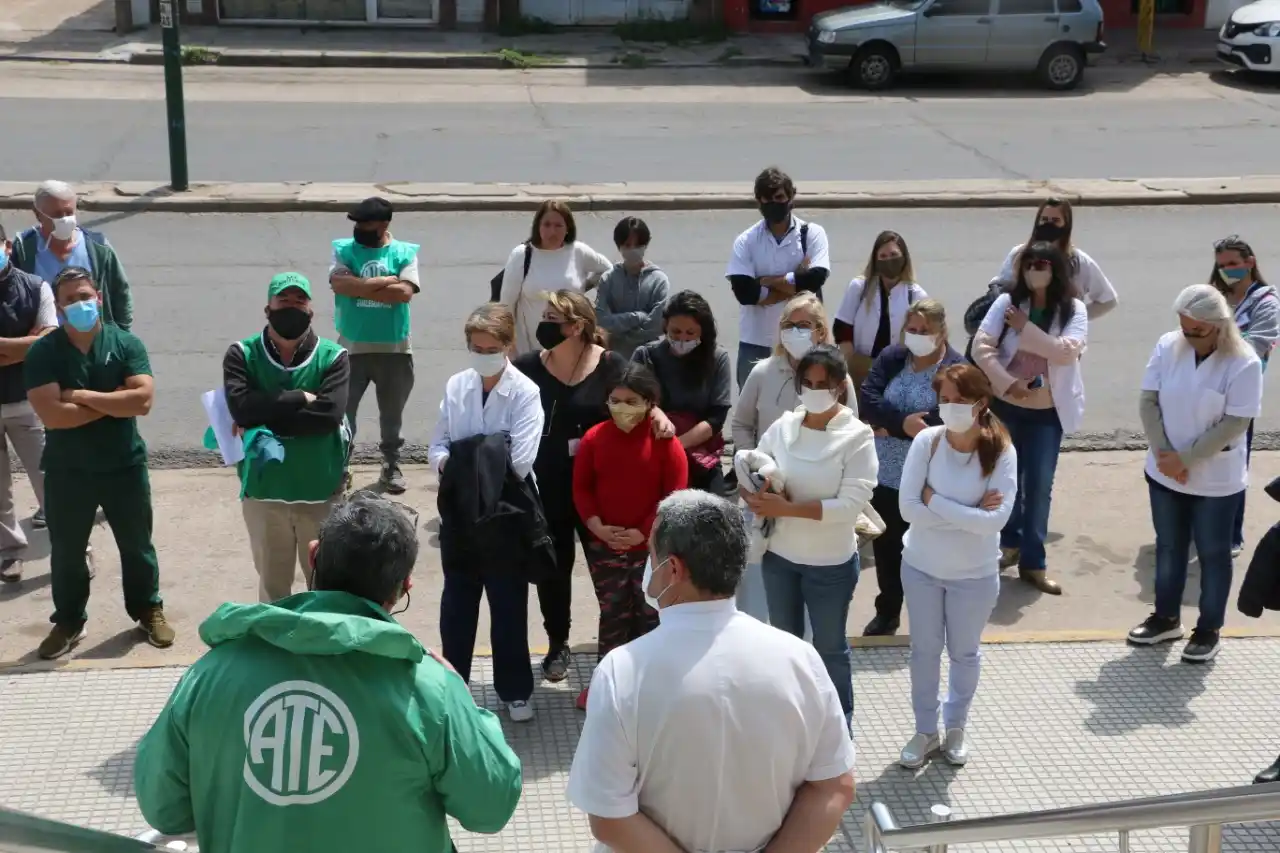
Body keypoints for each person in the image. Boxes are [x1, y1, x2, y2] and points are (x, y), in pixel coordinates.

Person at [133, 492, 523, 853]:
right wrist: (467, 706)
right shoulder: (429, 688)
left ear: (313, 555)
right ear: (403, 587)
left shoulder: (209, 675)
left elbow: (164, 809)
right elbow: (490, 808)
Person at [567, 490, 856, 853]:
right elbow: (834, 787)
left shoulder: (623, 670)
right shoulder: (801, 659)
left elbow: (610, 818)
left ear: (673, 569)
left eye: (651, 556)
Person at [513, 291, 662, 685]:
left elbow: (642, 395)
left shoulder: (611, 365)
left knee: (612, 576)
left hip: (603, 488)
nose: (543, 324)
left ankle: (620, 652)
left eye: (552, 318)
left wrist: (659, 416)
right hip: (549, 489)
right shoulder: (528, 367)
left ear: (577, 326)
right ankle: (557, 642)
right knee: (554, 570)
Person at [24, 267, 172, 660]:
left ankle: (147, 609)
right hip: (67, 471)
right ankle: (69, 620)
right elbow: (54, 416)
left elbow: (142, 401)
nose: (79, 304)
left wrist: (82, 396)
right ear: (58, 306)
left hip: (124, 466)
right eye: (70, 299)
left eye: (85, 296)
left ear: (100, 298)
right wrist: (112, 403)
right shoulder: (45, 351)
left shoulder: (125, 343)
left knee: (137, 546)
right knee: (68, 551)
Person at [737, 345, 877, 732]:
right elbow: (754, 465)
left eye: (823, 384)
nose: (814, 390)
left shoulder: (858, 436)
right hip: (780, 558)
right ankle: (791, 727)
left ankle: (839, 729)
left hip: (830, 564)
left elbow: (850, 505)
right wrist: (753, 492)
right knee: (785, 647)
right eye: (808, 383)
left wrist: (786, 509)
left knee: (830, 649)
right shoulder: (783, 427)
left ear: (840, 387)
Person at [1130, 285, 1263, 664]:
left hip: (1215, 479)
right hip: (1165, 469)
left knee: (1213, 553)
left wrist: (1185, 460)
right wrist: (1166, 456)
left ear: (1219, 327)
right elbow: (1148, 400)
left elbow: (1235, 421)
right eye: (1185, 329)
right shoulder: (1168, 346)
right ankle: (1165, 618)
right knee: (1169, 547)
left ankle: (1208, 630)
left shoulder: (1243, 362)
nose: (1189, 337)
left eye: (1197, 331)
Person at [895, 364, 1016, 769]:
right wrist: (967, 513)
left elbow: (994, 522)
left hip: (974, 575)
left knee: (964, 654)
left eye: (959, 401)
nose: (949, 408)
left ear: (981, 404)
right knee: (924, 652)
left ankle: (956, 727)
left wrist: (936, 501)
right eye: (944, 400)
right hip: (921, 567)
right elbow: (906, 509)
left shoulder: (1000, 451)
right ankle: (925, 731)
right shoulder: (926, 442)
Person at [430, 303, 546, 722]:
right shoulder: (457, 385)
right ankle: (452, 686)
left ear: (508, 345)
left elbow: (520, 460)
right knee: (456, 607)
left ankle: (515, 691)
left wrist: (465, 458)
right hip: (459, 515)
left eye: (490, 347)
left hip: (506, 515)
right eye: (475, 346)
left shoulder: (526, 392)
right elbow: (438, 447)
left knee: (508, 605)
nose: (482, 353)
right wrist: (478, 453)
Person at [223, 272, 351, 603]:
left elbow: (328, 416)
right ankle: (275, 651)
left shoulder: (333, 356)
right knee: (272, 589)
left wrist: (259, 419)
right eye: (284, 300)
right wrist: (299, 398)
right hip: (265, 494)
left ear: (310, 310)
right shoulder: (242, 354)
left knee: (325, 589)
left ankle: (321, 652)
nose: (291, 307)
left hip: (320, 492)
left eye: (299, 301)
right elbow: (240, 408)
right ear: (268, 308)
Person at [731, 292, 854, 623]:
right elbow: (742, 424)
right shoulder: (762, 373)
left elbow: (850, 433)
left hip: (811, 504)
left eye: (804, 324)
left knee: (809, 606)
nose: (795, 331)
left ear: (820, 330)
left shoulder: (841, 381)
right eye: (789, 324)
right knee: (755, 597)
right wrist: (749, 476)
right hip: (760, 499)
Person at [972, 241, 1087, 595]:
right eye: (1030, 264)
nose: (1036, 270)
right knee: (1004, 481)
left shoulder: (1073, 310)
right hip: (1008, 406)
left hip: (1047, 413)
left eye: (1043, 264)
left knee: (1038, 487)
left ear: (1056, 270)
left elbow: (1065, 353)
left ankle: (1034, 563)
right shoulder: (1007, 303)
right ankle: (1009, 545)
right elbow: (981, 346)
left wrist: (1025, 330)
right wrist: (1008, 384)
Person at [573, 362, 688, 709]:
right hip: (604, 546)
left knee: (650, 616)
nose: (623, 408)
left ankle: (650, 689)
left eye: (632, 401)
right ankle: (606, 686)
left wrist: (643, 532)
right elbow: (581, 488)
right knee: (613, 617)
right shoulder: (594, 438)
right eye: (616, 400)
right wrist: (596, 526)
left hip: (652, 549)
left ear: (650, 403)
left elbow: (675, 493)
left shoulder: (665, 443)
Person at [860, 298, 965, 636]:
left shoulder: (956, 368)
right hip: (887, 474)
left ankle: (932, 617)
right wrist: (903, 424)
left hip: (931, 479)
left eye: (925, 330)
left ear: (941, 331)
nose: (917, 336)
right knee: (888, 548)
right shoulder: (893, 358)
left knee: (926, 550)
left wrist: (888, 426)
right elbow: (868, 399)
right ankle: (888, 611)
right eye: (912, 329)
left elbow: (946, 419)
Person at [328, 196, 420, 494]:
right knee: (343, 413)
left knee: (392, 416)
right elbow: (339, 284)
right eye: (356, 222)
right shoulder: (344, 249)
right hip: (351, 348)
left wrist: (359, 286)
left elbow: (404, 293)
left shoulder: (405, 251)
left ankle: (391, 465)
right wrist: (384, 281)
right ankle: (341, 467)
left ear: (384, 224)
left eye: (365, 222)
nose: (358, 227)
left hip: (394, 349)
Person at [725, 166, 831, 389]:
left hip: (804, 339)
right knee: (752, 412)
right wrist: (796, 281)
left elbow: (815, 280)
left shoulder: (811, 233)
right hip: (757, 342)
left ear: (791, 196)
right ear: (759, 202)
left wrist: (766, 281)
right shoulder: (746, 241)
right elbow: (744, 293)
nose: (774, 203)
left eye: (779, 197)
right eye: (767, 199)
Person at [1208, 235, 1277, 556]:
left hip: (1239, 398)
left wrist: (1215, 340)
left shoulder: (1266, 302)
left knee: (1233, 465)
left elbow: (1255, 346)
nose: (1227, 271)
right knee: (1202, 460)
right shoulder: (1213, 297)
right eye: (1222, 266)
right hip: (1204, 392)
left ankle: (1231, 533)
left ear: (1250, 263)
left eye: (1233, 265)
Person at [633, 291, 734, 494]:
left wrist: (678, 445)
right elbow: (636, 401)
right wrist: (657, 415)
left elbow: (716, 417)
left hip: (700, 455)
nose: (682, 338)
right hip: (653, 452)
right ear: (665, 327)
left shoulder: (717, 358)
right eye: (676, 332)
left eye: (690, 333)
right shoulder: (645, 355)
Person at [0, 226, 56, 583]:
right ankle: (8, 551)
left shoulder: (35, 287)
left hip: (28, 400)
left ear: (6, 246)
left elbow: (48, 339)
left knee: (50, 477)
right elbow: (33, 343)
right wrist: (22, 345)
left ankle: (74, 546)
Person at [10, 180, 133, 331]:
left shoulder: (98, 247)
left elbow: (120, 292)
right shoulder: (23, 250)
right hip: (43, 345)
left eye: (69, 213)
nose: (65, 220)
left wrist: (122, 335)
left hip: (91, 340)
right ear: (38, 214)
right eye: (57, 214)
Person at [498, 200, 613, 354]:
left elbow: (608, 270)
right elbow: (506, 306)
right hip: (529, 350)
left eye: (558, 225)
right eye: (547, 224)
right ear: (538, 226)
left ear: (567, 229)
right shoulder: (522, 255)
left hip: (571, 349)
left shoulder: (578, 252)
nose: (552, 231)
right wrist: (508, 346)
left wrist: (585, 287)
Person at [833, 230, 928, 401]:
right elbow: (842, 327)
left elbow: (923, 336)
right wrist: (849, 363)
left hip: (897, 369)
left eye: (893, 255)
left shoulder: (915, 295)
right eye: (883, 256)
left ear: (904, 257)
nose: (888, 260)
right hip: (860, 362)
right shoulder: (860, 287)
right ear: (875, 260)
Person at [989, 197, 1118, 319]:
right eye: (1044, 219)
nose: (1048, 225)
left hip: (1060, 338)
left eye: (1055, 221)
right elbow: (1001, 291)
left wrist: (1076, 318)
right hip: (1018, 334)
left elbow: (1108, 300)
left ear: (1066, 225)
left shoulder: (1080, 262)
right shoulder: (1019, 254)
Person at [594, 216, 671, 359]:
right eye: (627, 245)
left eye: (638, 245)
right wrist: (639, 316)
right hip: (615, 357)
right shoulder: (608, 278)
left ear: (646, 244)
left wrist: (620, 331)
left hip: (649, 358)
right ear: (619, 246)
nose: (633, 250)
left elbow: (657, 325)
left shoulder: (659, 281)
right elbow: (601, 319)